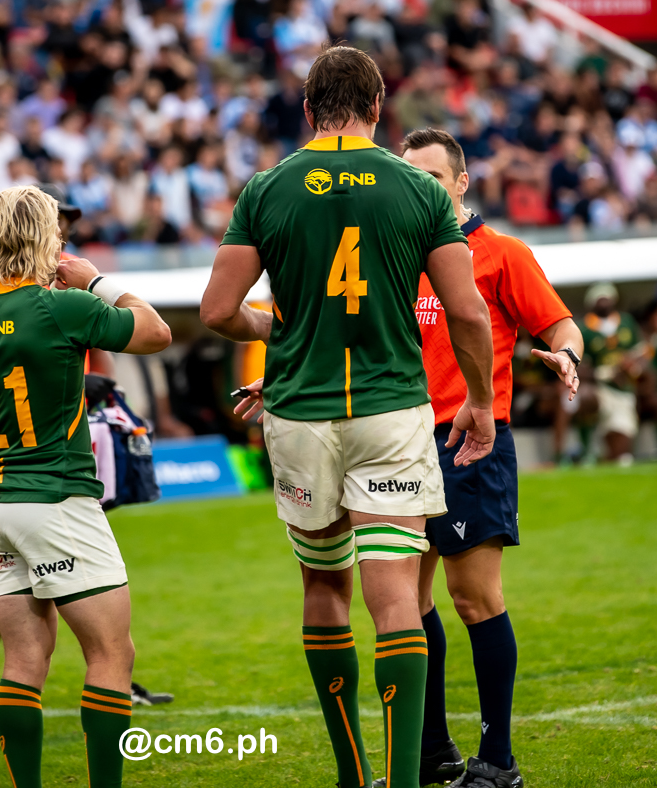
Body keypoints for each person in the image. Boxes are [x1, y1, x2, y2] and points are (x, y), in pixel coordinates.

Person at [201, 46, 496, 788]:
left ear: (308, 109)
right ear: (377, 106)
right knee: (396, 596)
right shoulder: (419, 189)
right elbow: (466, 311)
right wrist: (483, 402)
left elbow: (214, 312)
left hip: (301, 414)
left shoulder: (266, 189)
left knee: (325, 589)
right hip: (392, 407)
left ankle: (350, 773)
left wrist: (279, 332)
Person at [0, 185, 172, 786]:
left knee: (24, 659)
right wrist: (98, 280)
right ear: (43, 240)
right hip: (56, 500)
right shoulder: (59, 306)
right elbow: (155, 333)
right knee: (111, 655)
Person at [400, 128, 584, 788]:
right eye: (406, 173)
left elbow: (561, 324)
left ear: (460, 183)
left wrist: (567, 353)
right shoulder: (394, 254)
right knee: (402, 599)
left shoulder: (500, 253)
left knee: (472, 598)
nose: (417, 185)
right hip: (397, 445)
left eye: (429, 175)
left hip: (470, 444)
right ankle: (430, 752)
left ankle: (497, 761)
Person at [578, 282, 643, 463]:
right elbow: (580, 367)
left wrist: (631, 368)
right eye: (600, 298)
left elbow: (640, 354)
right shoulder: (584, 328)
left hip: (625, 387)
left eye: (607, 297)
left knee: (621, 453)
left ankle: (605, 455)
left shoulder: (626, 322)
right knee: (585, 398)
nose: (604, 301)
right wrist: (604, 374)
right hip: (599, 387)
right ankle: (586, 451)